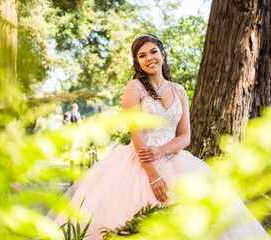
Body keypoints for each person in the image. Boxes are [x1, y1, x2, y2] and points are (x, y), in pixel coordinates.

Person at [50, 34, 270, 239]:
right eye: (142, 55)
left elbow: (185, 137)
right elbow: (137, 136)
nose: (149, 58)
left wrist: (163, 150)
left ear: (162, 55)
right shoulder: (133, 89)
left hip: (175, 157)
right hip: (139, 161)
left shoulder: (179, 90)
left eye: (153, 52)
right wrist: (154, 176)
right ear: (138, 62)